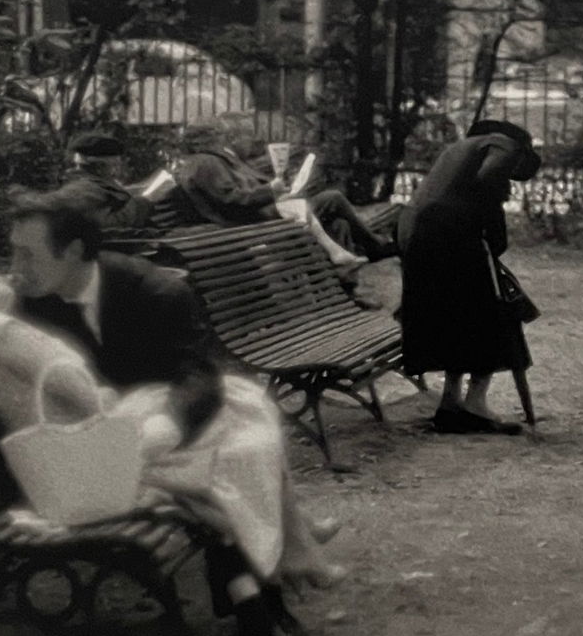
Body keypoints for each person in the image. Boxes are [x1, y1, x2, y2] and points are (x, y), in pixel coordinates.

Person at [0, 192, 345, 636]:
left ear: (74, 251)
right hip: (67, 464)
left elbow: (194, 373)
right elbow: (29, 388)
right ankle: (271, 601)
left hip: (110, 436)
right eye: (10, 252)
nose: (12, 267)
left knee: (236, 421)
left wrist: (161, 423)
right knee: (233, 451)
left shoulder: (154, 290)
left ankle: (266, 600)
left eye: (26, 253)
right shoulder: (14, 312)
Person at [397, 119, 542, 436]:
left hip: (417, 233)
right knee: (490, 314)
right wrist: (493, 231)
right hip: (451, 234)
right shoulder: (505, 144)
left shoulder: (459, 150)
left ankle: (450, 404)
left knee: (455, 317)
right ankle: (475, 404)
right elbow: (490, 179)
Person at [173, 133, 394, 307]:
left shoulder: (215, 160)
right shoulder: (206, 162)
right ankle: (372, 250)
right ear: (210, 137)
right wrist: (270, 191)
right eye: (220, 134)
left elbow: (239, 192)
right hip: (255, 220)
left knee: (338, 224)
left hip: (266, 212)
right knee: (332, 199)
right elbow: (233, 200)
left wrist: (279, 192)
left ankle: (342, 294)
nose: (227, 139)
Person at [55, 131, 156, 229]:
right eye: (115, 164)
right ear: (100, 167)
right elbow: (106, 224)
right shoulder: (86, 190)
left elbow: (111, 194)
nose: (117, 168)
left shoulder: (83, 179)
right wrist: (139, 203)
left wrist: (133, 191)